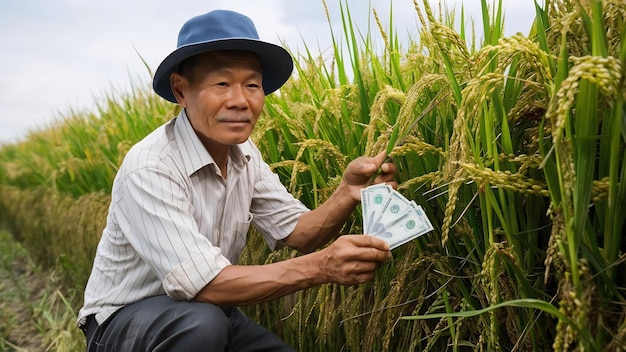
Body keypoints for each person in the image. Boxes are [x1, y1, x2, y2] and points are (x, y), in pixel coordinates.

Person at [77, 9, 396, 351]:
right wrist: (322, 266)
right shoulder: (151, 166)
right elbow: (206, 285)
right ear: (181, 91)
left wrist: (347, 193)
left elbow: (299, 233)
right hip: (126, 323)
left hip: (209, 313)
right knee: (202, 325)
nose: (240, 100)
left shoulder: (244, 155)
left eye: (252, 85)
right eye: (222, 83)